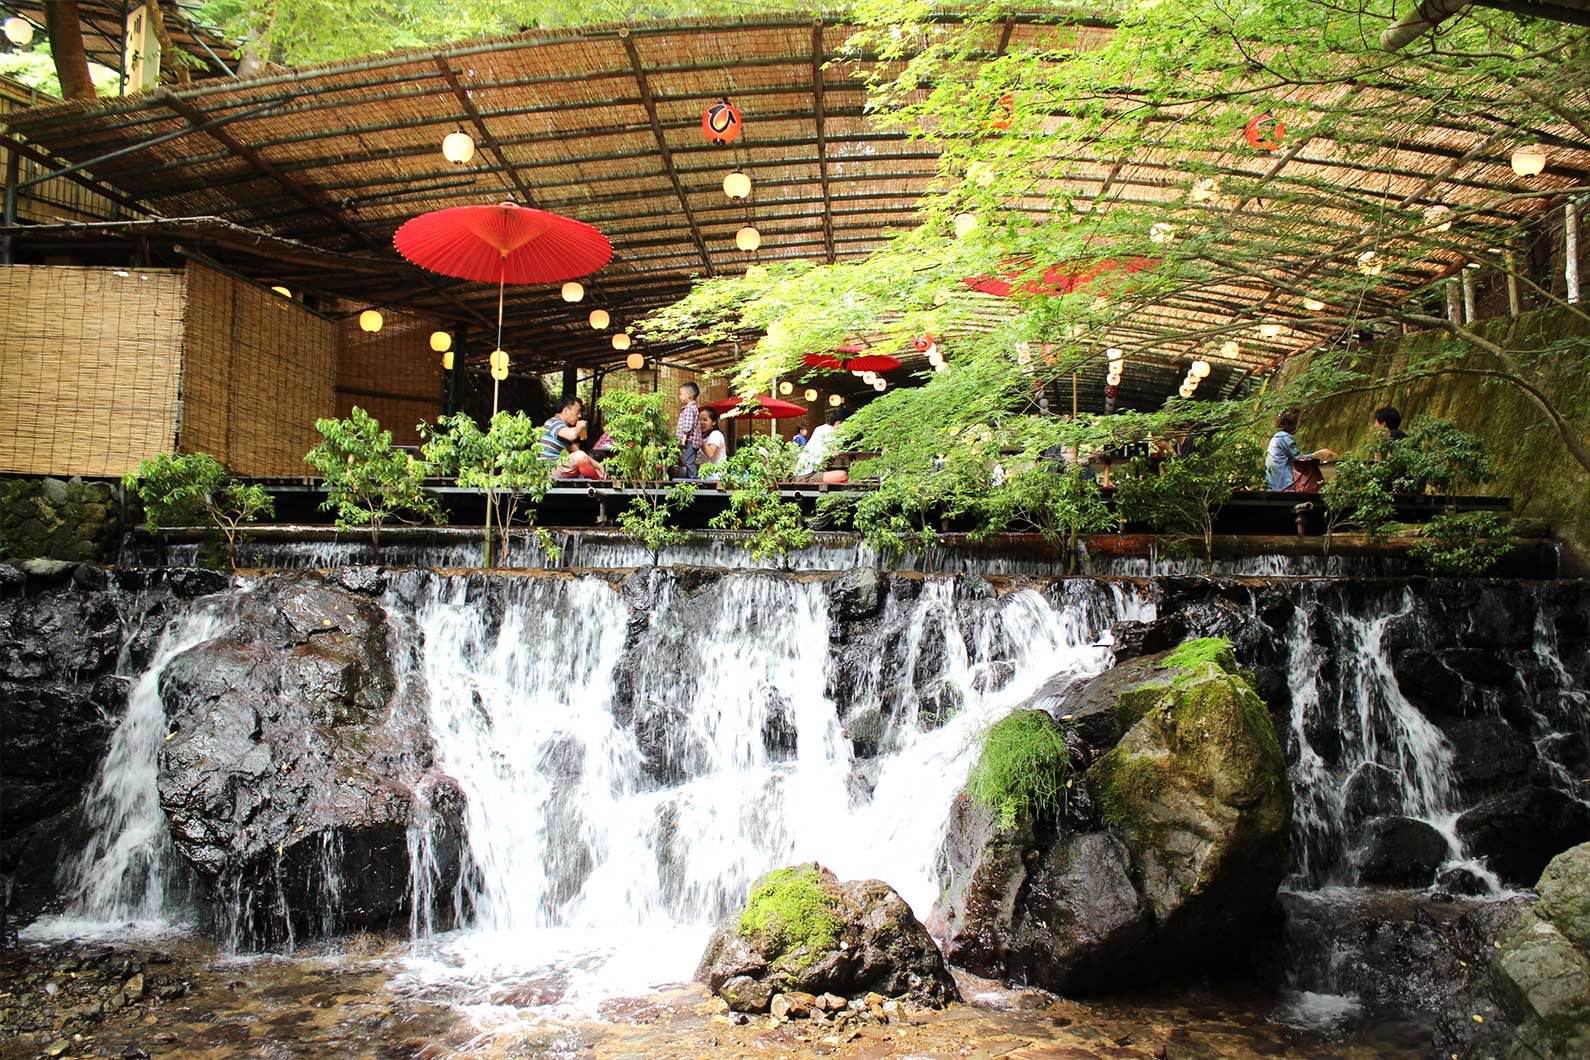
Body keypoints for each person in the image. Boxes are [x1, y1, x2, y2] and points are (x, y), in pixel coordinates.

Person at [1265, 409, 1334, 491]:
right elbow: (1299, 459)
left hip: (1273, 482)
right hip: (1283, 483)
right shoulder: (1285, 438)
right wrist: (1319, 453)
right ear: (1293, 424)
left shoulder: (1276, 437)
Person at [540, 397, 605, 480]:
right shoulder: (554, 422)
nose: (579, 415)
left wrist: (599, 466)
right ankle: (598, 482)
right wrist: (580, 426)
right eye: (577, 412)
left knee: (583, 459)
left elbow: (578, 452)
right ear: (566, 411)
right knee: (580, 456)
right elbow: (572, 435)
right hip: (548, 470)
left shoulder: (563, 431)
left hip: (556, 467)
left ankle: (600, 478)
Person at [797, 408, 847, 483]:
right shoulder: (828, 431)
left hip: (808, 473)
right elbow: (835, 453)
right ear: (838, 423)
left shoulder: (821, 429)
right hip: (807, 475)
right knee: (842, 475)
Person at [676, 381, 704, 478]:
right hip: (692, 441)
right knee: (688, 460)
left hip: (689, 441)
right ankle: (690, 479)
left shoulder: (689, 409)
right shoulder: (693, 408)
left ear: (688, 396)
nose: (679, 397)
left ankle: (693, 479)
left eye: (681, 394)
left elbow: (687, 426)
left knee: (688, 461)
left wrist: (683, 439)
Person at [700, 407, 727, 481]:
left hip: (716, 477)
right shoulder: (704, 437)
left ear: (714, 422)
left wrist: (699, 439)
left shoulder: (716, 434)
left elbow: (710, 453)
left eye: (705, 420)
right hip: (705, 477)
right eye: (699, 419)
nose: (701, 422)